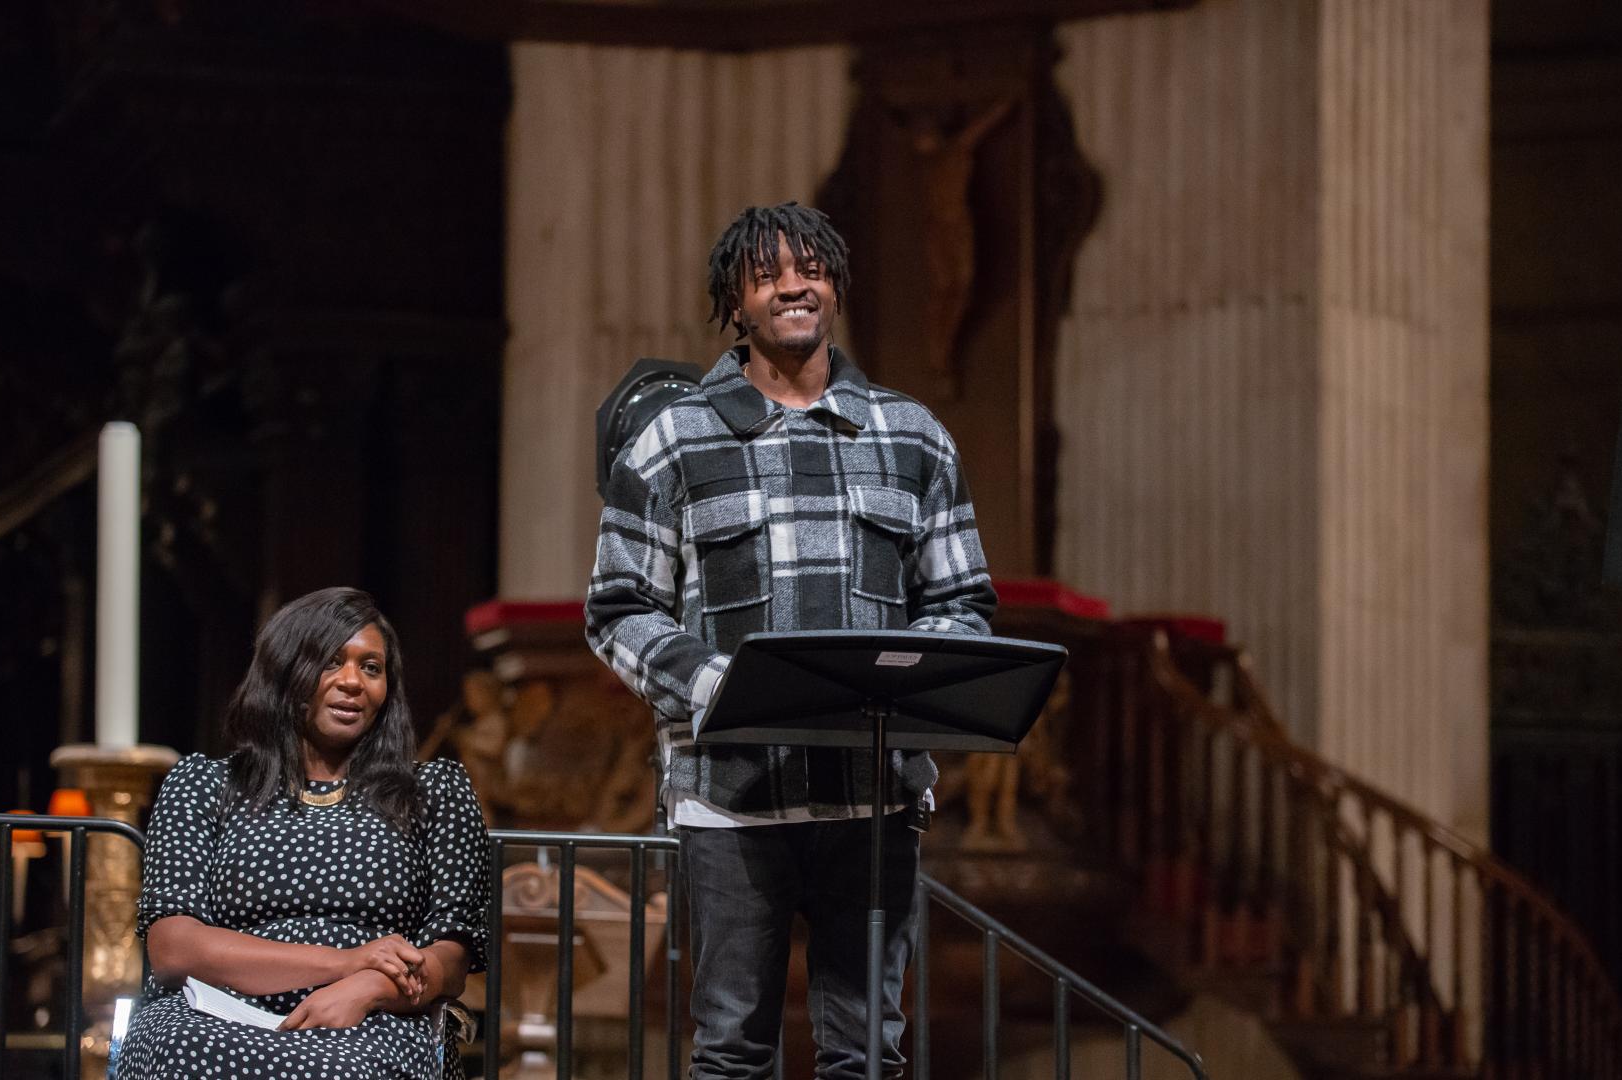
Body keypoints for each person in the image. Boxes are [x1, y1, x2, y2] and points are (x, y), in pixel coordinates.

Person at [585, 202, 996, 1079]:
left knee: (869, 1054)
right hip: (732, 798)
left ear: (836, 287)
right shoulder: (672, 440)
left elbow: (961, 598)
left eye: (808, 268)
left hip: (872, 798)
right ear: (735, 303)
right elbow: (618, 608)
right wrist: (717, 686)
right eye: (766, 275)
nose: (791, 286)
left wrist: (905, 672)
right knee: (733, 1051)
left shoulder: (913, 435)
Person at [116, 587, 489, 1080]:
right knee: (178, 1050)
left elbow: (452, 955)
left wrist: (369, 987)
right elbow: (173, 948)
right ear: (285, 672)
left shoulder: (433, 790)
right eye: (330, 661)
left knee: (349, 1068)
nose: (352, 681)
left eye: (371, 667)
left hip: (372, 1018)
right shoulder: (205, 784)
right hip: (215, 1012)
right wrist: (346, 962)